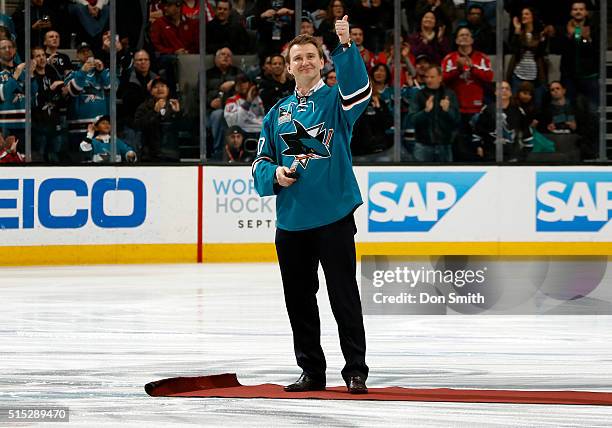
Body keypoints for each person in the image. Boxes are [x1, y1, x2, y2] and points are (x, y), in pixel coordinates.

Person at [252, 17, 370, 394]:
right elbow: (259, 161)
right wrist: (275, 175)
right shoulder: (276, 113)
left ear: (322, 62)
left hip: (333, 216)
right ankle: (311, 371)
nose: (304, 62)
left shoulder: (336, 101)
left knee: (343, 296)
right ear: (288, 67)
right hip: (291, 221)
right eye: (297, 58)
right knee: (299, 301)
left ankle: (355, 370)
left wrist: (346, 46)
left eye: (310, 56)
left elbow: (360, 92)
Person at [407, 65, 460, 162]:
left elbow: (457, 120)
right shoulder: (418, 95)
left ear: (440, 77)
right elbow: (412, 119)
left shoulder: (449, 94)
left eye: (432, 77)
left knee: (444, 176)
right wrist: (425, 111)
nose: (428, 80)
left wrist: (448, 110)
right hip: (423, 145)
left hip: (444, 145)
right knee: (420, 175)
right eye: (426, 77)